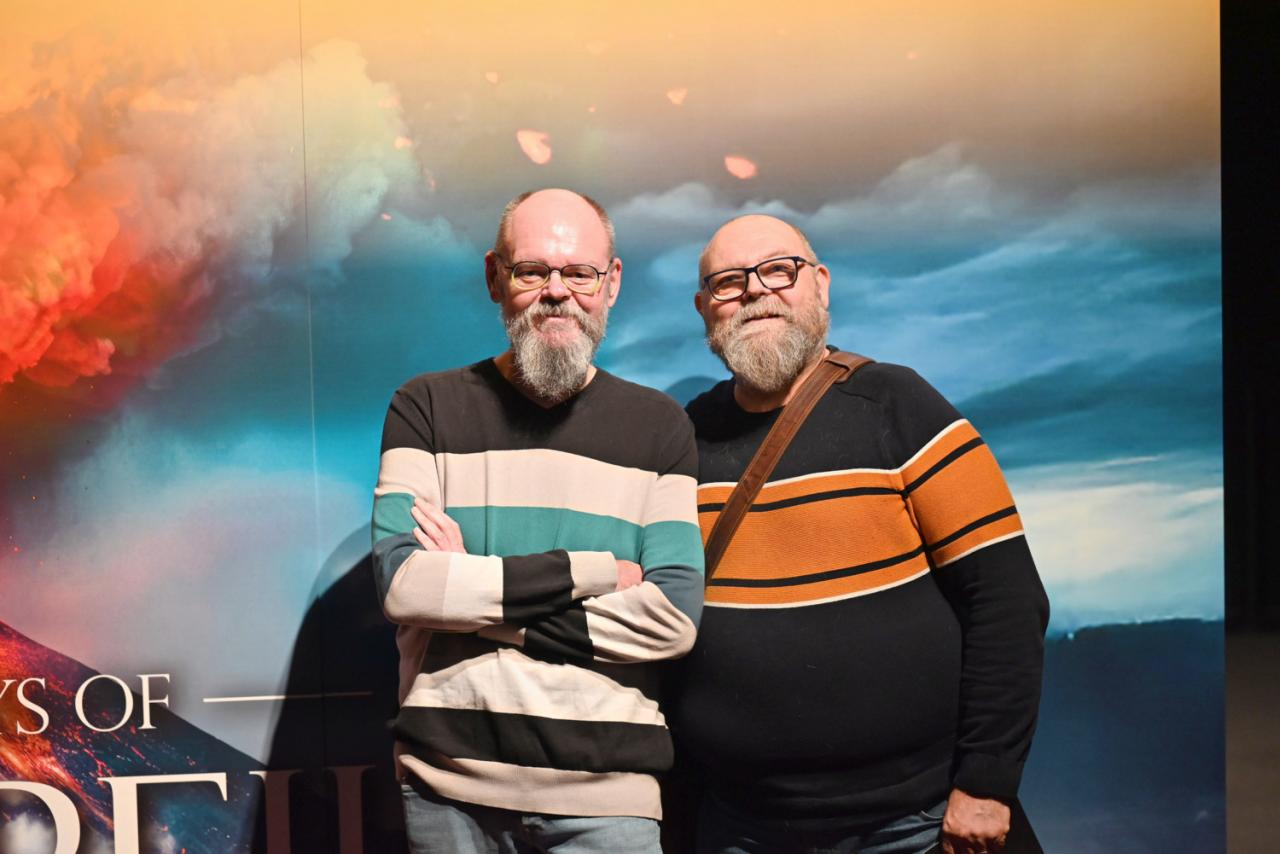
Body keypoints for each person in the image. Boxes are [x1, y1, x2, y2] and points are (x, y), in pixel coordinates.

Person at [673, 214, 1049, 854]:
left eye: (778, 270)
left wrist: (987, 783)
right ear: (705, 307)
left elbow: (1007, 601)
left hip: (915, 823)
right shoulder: (685, 435)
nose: (756, 290)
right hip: (740, 824)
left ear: (819, 284)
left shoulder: (898, 405)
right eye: (729, 281)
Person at [371, 188, 705, 853]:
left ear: (611, 283)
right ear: (495, 277)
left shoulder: (661, 427)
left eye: (580, 273)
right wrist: (596, 572)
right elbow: (404, 587)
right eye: (532, 271)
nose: (557, 292)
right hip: (447, 790)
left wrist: (471, 589)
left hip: (609, 801)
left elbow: (673, 618)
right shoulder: (425, 407)